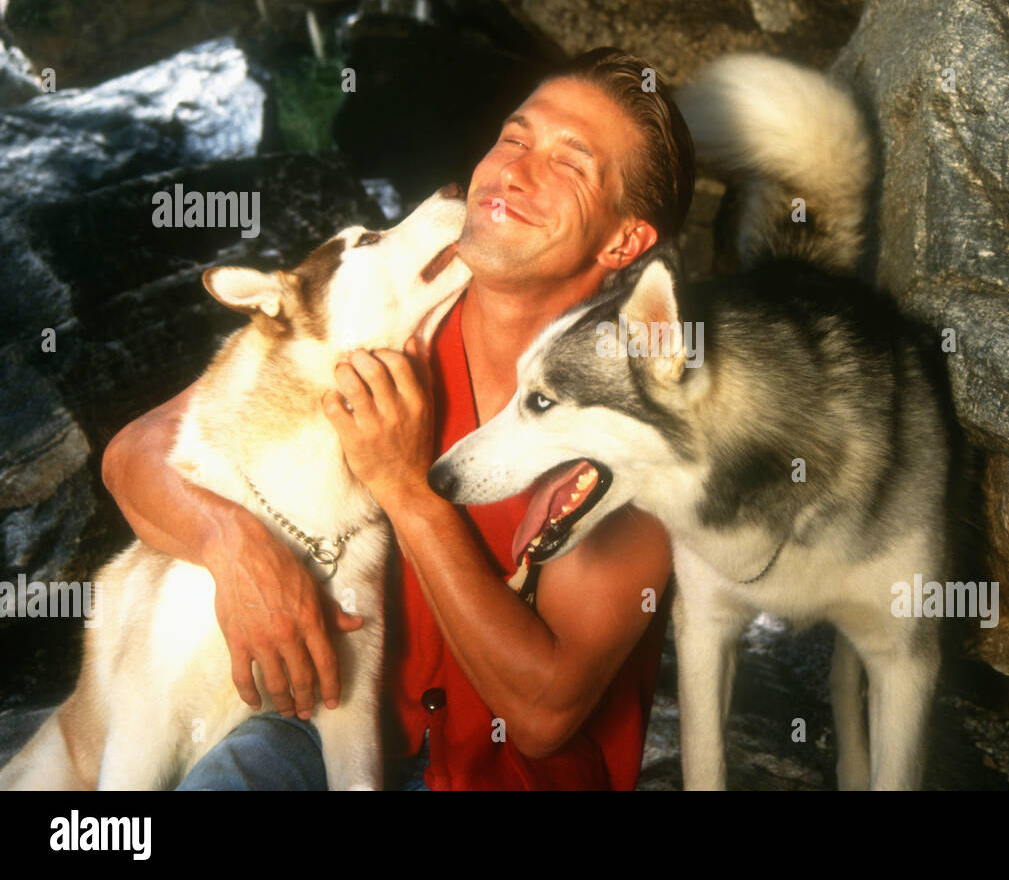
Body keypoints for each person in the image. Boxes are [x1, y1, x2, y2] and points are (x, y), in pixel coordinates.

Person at [101, 46, 696, 790]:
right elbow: (135, 455)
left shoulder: (641, 417)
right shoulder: (394, 313)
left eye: (569, 165)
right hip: (327, 732)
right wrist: (233, 547)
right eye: (514, 137)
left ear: (625, 240)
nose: (512, 170)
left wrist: (406, 486)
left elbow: (544, 708)